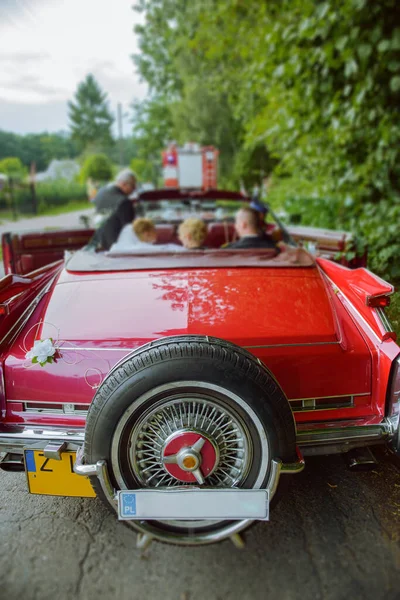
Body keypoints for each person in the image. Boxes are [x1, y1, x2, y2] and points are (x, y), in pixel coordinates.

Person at [89, 169, 137, 250]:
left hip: (99, 244)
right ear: (124, 184)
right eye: (133, 186)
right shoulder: (124, 202)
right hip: (117, 247)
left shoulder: (101, 193)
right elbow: (129, 230)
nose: (134, 190)